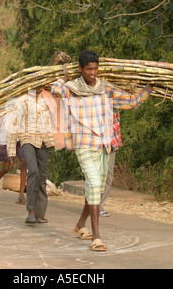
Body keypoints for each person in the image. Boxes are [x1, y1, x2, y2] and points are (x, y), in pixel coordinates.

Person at [51, 50, 153, 251]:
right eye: (89, 69)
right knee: (95, 183)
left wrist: (149, 89)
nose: (93, 72)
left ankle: (80, 225)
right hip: (84, 143)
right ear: (80, 69)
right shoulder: (71, 88)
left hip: (104, 143)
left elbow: (130, 101)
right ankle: (96, 237)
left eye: (96, 68)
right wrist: (63, 78)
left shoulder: (106, 88)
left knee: (95, 188)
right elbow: (55, 90)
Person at [7, 87, 56, 223]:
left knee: (42, 175)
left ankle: (40, 213)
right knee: (33, 171)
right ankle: (31, 210)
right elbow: (14, 125)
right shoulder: (22, 101)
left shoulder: (48, 99)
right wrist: (11, 151)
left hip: (44, 139)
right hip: (27, 138)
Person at [0, 110, 27, 204]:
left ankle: (21, 195)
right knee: (6, 168)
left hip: (21, 135)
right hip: (6, 136)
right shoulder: (3, 101)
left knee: (24, 163)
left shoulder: (24, 99)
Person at [99, 112, 121, 217]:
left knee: (108, 175)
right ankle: (93, 206)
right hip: (97, 143)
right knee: (96, 175)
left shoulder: (116, 101)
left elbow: (130, 102)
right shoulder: (95, 100)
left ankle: (99, 206)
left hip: (111, 142)